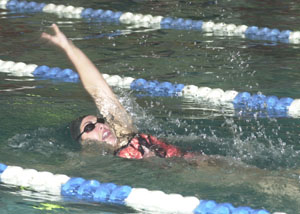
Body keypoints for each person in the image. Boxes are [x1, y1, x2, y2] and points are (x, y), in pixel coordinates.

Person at [42, 24, 195, 160]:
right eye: (89, 127)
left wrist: (69, 47)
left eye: (100, 121)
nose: (100, 126)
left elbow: (97, 89)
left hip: (199, 165)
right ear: (82, 142)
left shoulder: (125, 134)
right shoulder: (93, 162)